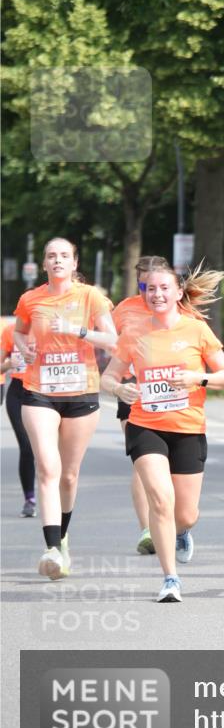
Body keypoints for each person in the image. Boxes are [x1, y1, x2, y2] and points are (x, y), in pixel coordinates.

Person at [101, 260, 224, 603]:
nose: (157, 294)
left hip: (188, 427)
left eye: (164, 288)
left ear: (178, 293)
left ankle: (182, 532)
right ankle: (170, 578)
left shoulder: (196, 330)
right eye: (151, 289)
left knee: (185, 513)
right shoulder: (134, 332)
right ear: (143, 292)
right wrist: (119, 390)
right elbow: (108, 377)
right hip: (145, 423)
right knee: (160, 500)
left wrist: (197, 378)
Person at [13, 237, 117, 580]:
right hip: (38, 389)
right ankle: (52, 548)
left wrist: (78, 330)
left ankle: (64, 535)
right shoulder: (31, 299)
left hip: (81, 391)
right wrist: (25, 350)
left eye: (63, 256)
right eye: (51, 256)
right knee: (47, 466)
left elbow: (114, 341)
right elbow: (20, 332)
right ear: (44, 264)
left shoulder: (90, 297)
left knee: (69, 475)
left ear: (74, 263)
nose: (57, 260)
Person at [112, 256, 173, 556]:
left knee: (171, 465)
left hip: (173, 396)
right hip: (133, 393)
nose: (151, 290)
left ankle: (171, 521)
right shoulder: (124, 309)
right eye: (143, 283)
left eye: (156, 281)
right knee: (142, 463)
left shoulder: (175, 302)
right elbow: (110, 343)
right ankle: (147, 529)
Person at [1, 319, 37, 517]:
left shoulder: (46, 329)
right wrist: (7, 364)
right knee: (26, 446)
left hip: (40, 392)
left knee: (45, 449)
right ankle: (29, 499)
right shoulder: (9, 332)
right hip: (17, 392)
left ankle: (55, 494)